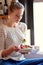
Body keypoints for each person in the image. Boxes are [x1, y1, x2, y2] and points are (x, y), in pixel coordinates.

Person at [0, 1, 43, 65]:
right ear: (9, 13)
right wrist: (11, 49)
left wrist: (26, 50)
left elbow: (23, 43)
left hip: (21, 60)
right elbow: (1, 54)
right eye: (17, 16)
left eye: (21, 15)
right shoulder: (3, 29)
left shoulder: (23, 26)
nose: (19, 18)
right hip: (7, 61)